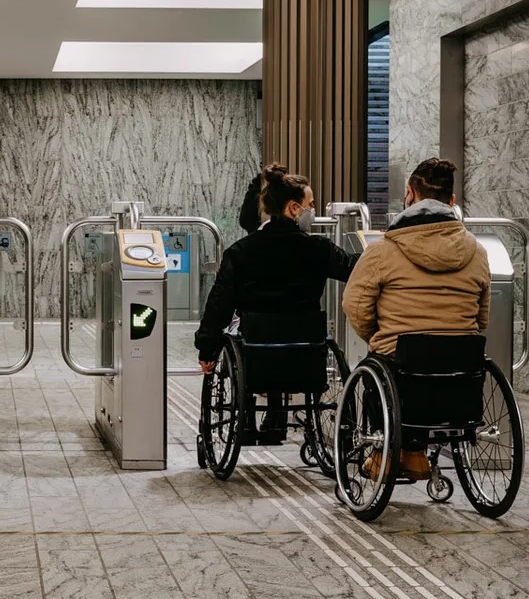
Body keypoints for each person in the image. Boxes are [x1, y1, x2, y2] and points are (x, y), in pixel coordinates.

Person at [342, 157, 490, 478]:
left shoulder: (381, 250)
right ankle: (416, 454)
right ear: (452, 202)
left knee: (380, 363)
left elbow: (354, 305)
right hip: (460, 372)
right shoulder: (477, 252)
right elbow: (481, 317)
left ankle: (386, 454)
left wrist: (378, 336)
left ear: (409, 194)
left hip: (401, 366)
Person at [194, 166, 357, 443]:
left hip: (256, 351)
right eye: (311, 205)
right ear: (294, 208)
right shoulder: (319, 249)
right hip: (306, 352)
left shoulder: (241, 252)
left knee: (239, 335)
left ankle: (246, 425)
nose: (313, 212)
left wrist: (207, 348)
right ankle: (278, 422)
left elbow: (220, 303)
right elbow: (356, 270)